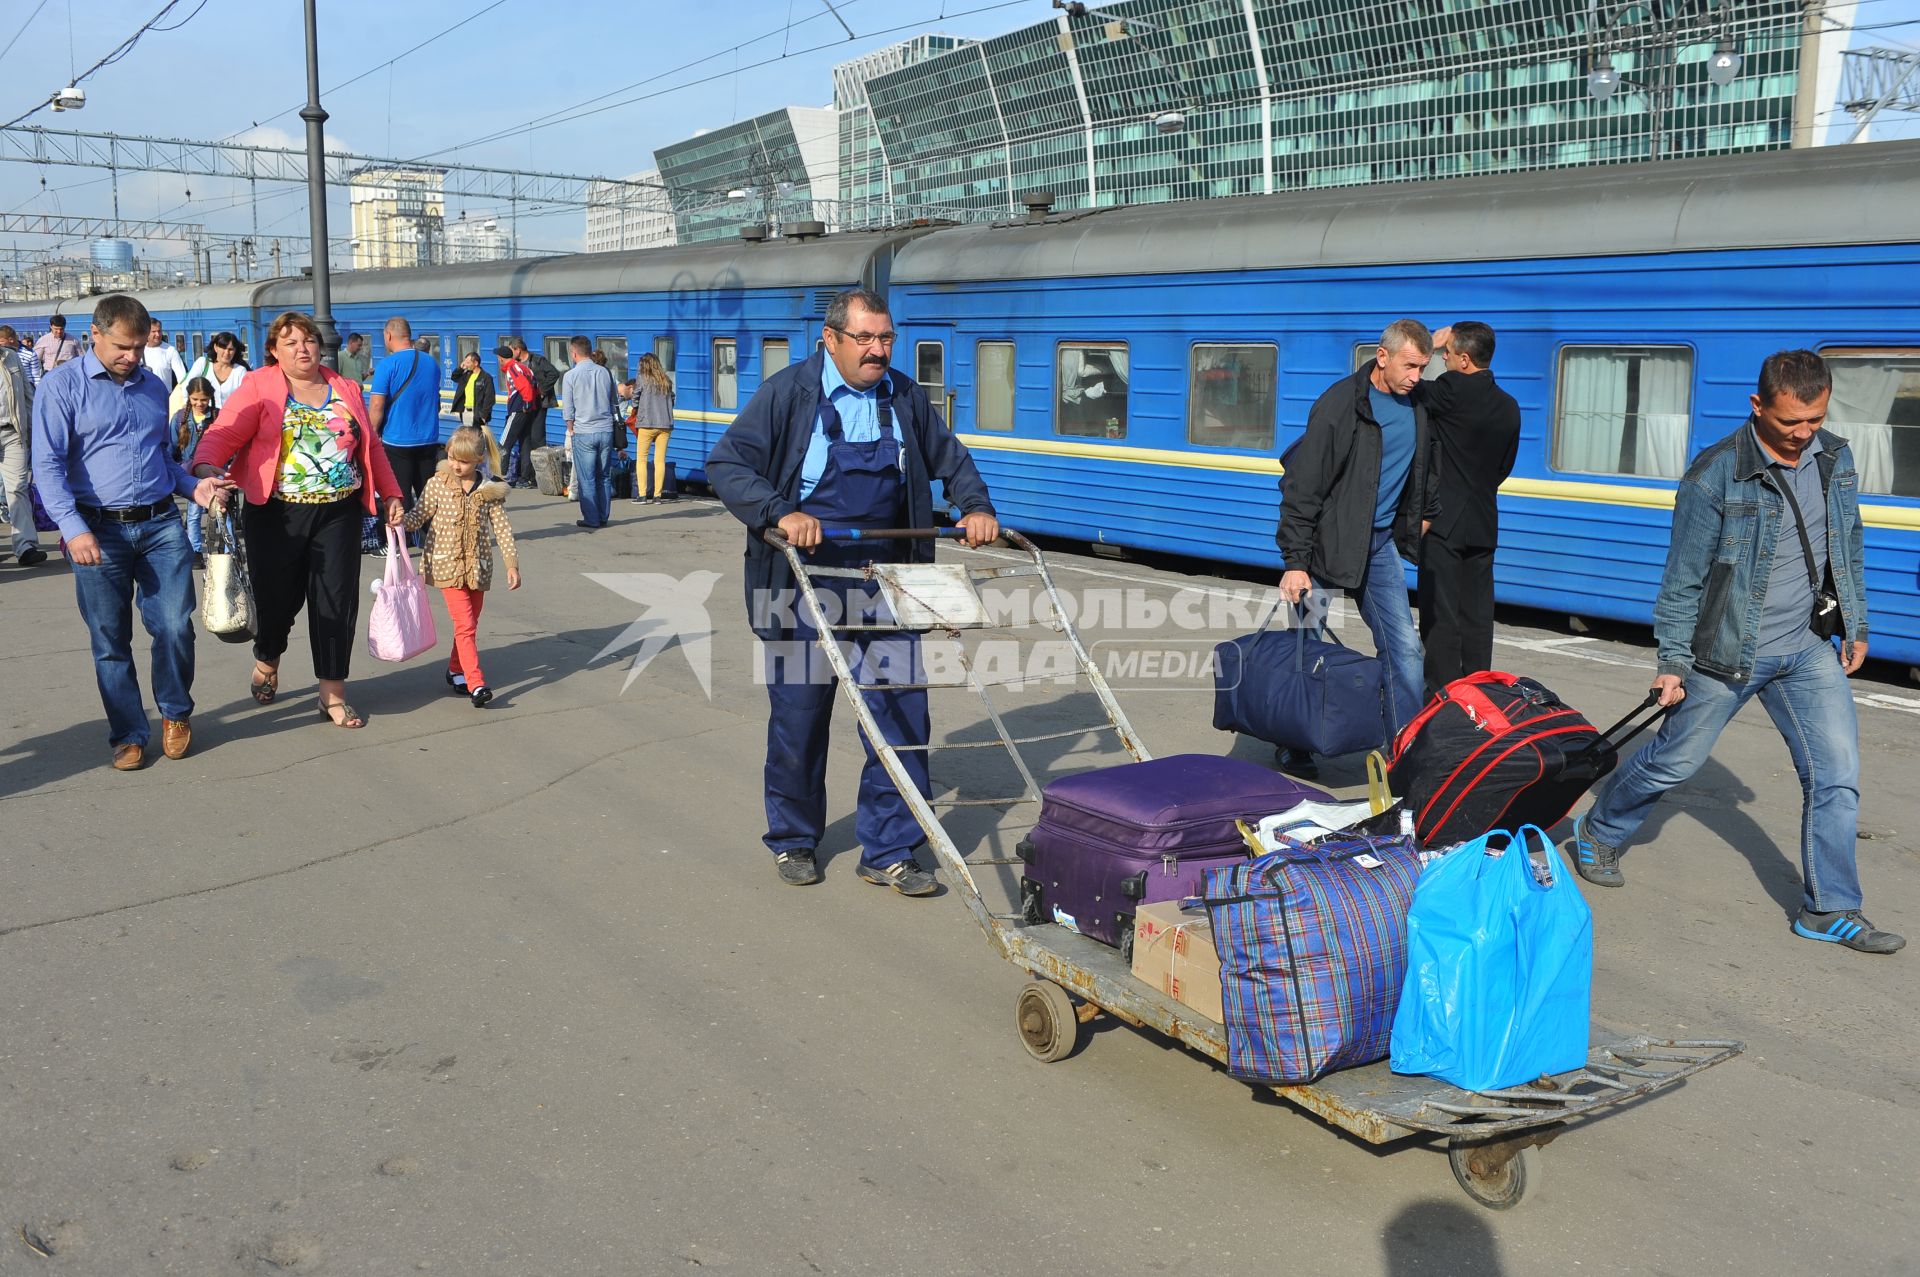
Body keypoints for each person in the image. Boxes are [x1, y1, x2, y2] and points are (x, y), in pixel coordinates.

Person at [1566, 350, 1902, 955]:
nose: (1804, 435)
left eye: (1815, 420)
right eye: (1790, 423)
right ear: (1757, 407)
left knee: (1838, 777)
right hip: (1726, 652)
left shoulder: (1835, 458)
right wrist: (1671, 662)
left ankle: (1828, 907)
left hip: (1805, 648)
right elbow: (1683, 578)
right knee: (1675, 762)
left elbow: (1845, 540)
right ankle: (1601, 827)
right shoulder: (1715, 473)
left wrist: (1856, 622)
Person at [708, 287, 999, 894]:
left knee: (900, 717)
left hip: (885, 584)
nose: (877, 349)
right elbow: (728, 465)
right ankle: (793, 839)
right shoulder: (788, 393)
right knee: (799, 719)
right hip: (801, 585)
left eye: (885, 337)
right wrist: (779, 512)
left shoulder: (904, 395)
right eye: (864, 338)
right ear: (831, 339)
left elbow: (951, 458)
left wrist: (974, 506)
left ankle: (889, 849)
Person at [31, 294, 234, 770]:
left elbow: (161, 457)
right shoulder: (61, 388)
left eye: (140, 347)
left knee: (173, 626)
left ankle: (175, 712)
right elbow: (48, 466)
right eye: (123, 347)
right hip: (97, 532)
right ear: (94, 335)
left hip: (161, 524)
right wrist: (73, 529)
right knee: (110, 639)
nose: (133, 357)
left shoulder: (152, 387)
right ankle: (127, 734)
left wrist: (194, 486)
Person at [191, 311, 405, 730]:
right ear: (273, 350)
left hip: (339, 511)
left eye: (308, 340)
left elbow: (371, 444)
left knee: (336, 601)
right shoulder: (260, 385)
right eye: (290, 343)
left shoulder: (343, 385)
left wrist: (391, 491)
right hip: (277, 513)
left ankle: (332, 693)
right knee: (278, 601)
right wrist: (204, 466)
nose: (302, 348)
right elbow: (224, 432)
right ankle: (268, 657)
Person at [1274, 317, 1439, 778]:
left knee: (1404, 649)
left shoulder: (1418, 402)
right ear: (1382, 357)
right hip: (1324, 549)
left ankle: (1404, 751)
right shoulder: (1341, 405)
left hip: (1379, 545)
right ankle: (1295, 741)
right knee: (1308, 642)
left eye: (1423, 367)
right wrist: (1294, 562)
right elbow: (1303, 486)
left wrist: (1424, 512)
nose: (1416, 377)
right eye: (1409, 366)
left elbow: (1429, 463)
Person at [1418, 320, 1520, 697]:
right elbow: (1503, 468)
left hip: (1443, 522)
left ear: (1463, 359)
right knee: (1477, 618)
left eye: (1447, 353)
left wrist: (1426, 345)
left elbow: (1405, 382)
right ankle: (1478, 694)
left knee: (1441, 616)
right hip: (1483, 521)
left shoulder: (1450, 391)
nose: (1442, 358)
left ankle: (1443, 699)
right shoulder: (1509, 406)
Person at [402, 425, 521, 707]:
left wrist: (512, 565)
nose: (456, 465)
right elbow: (418, 516)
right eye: (453, 458)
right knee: (465, 623)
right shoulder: (437, 484)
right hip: (445, 566)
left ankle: (456, 669)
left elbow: (502, 530)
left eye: (464, 461)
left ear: (479, 460)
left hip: (478, 567)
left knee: (469, 624)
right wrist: (397, 521)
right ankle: (476, 682)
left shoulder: (489, 491)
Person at [367, 316, 444, 509]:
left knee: (399, 497)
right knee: (428, 499)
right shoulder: (432, 363)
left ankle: (405, 538)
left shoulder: (387, 365)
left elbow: (376, 405)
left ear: (388, 335)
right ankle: (434, 537)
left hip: (397, 441)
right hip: (428, 440)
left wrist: (372, 434)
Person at [560, 335, 618, 529]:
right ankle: (603, 516)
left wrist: (570, 428)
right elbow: (613, 401)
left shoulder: (570, 376)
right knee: (604, 476)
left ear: (574, 353)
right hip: (606, 430)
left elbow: (568, 409)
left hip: (583, 431)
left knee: (587, 478)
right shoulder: (605, 373)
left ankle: (591, 518)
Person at [1, 327, 45, 566]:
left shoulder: (12, 358)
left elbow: (27, 396)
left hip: (12, 432)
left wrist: (33, 430)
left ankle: (25, 545)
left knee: (17, 488)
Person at [169, 376, 219, 567]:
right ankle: (195, 550)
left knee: (221, 511)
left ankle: (227, 551)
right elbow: (170, 447)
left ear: (210, 398)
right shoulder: (180, 418)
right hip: (190, 475)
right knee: (194, 513)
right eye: (195, 399)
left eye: (204, 399)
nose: (200, 403)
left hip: (214, 471)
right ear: (189, 397)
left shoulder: (217, 416)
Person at [628, 350, 675, 503]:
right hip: (665, 424)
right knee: (659, 460)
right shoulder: (666, 380)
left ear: (643, 366)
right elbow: (672, 399)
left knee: (641, 459)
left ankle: (642, 495)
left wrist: (636, 406)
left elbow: (635, 397)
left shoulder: (642, 379)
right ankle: (657, 496)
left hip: (647, 423)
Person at [495, 344, 539, 488]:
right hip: (528, 411)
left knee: (504, 444)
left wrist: (526, 403)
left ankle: (501, 476)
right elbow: (533, 383)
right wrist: (530, 405)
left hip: (518, 409)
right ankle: (525, 478)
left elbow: (525, 386)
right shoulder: (523, 367)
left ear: (501, 358)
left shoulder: (513, 368)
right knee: (525, 443)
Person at [185, 332, 248, 409]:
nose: (227, 352)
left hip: (230, 417)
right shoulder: (202, 364)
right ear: (215, 347)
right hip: (205, 417)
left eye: (230, 349)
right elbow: (186, 387)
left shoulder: (240, 371)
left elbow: (245, 398)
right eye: (223, 348)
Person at [450, 351, 495, 435]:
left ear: (476, 363)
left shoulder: (485, 377)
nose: (465, 364)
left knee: (478, 437)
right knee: (467, 437)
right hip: (465, 411)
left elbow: (489, 398)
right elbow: (454, 377)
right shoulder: (466, 375)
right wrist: (460, 368)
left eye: (468, 362)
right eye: (465, 361)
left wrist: (484, 415)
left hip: (478, 413)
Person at [142, 319, 188, 393]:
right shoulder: (140, 350)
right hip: (146, 396)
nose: (157, 334)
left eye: (159, 331)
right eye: (154, 332)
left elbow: (182, 377)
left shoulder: (170, 350)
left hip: (165, 397)